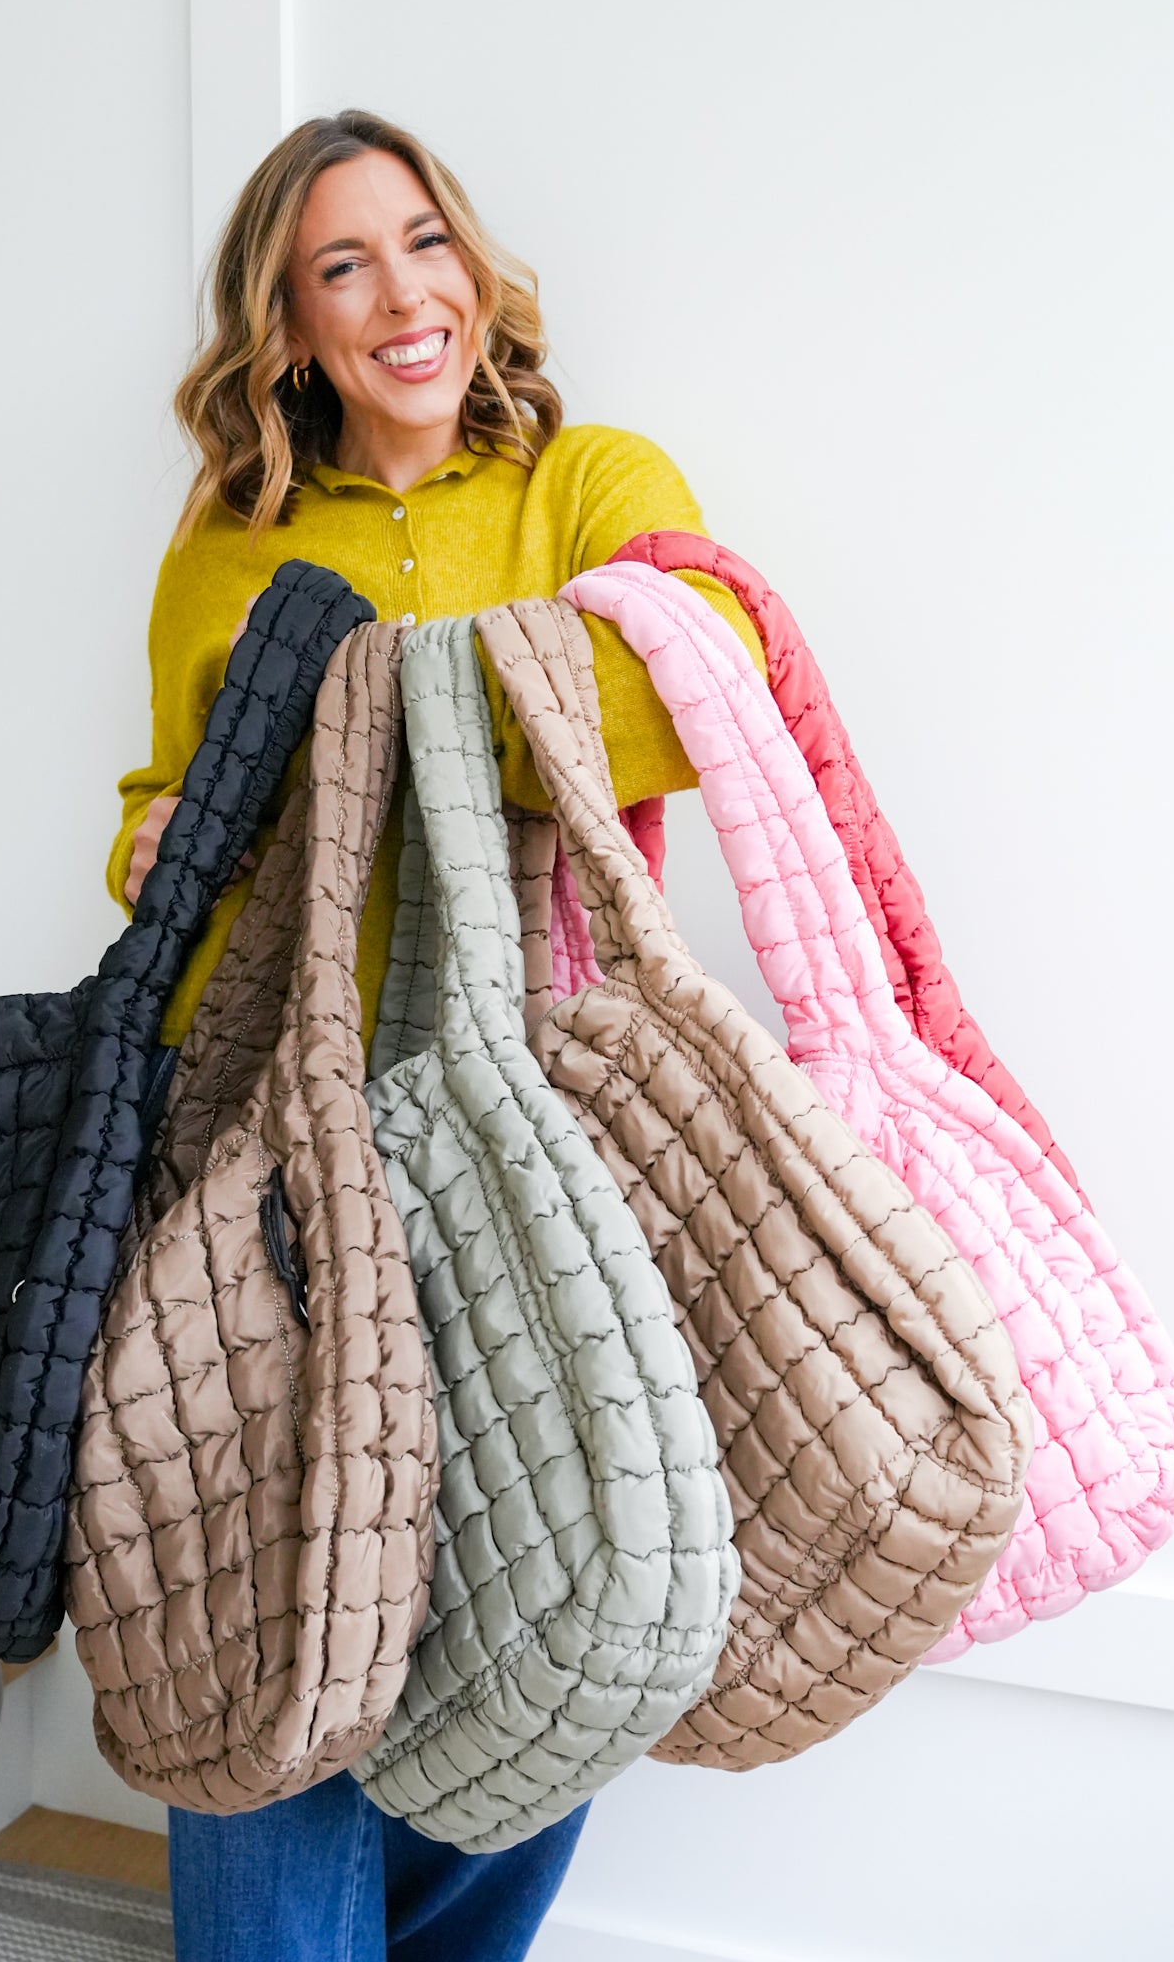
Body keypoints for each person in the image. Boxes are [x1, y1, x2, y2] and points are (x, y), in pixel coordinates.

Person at [108, 107, 766, 1962]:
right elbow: (162, 802)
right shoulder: (230, 543)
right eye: (343, 265)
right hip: (270, 1134)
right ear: (291, 326)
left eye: (422, 243)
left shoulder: (588, 485)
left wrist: (368, 731)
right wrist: (156, 844)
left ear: (472, 270)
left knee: (542, 1579)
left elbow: (686, 698)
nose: (402, 295)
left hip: (537, 1127)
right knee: (275, 1587)